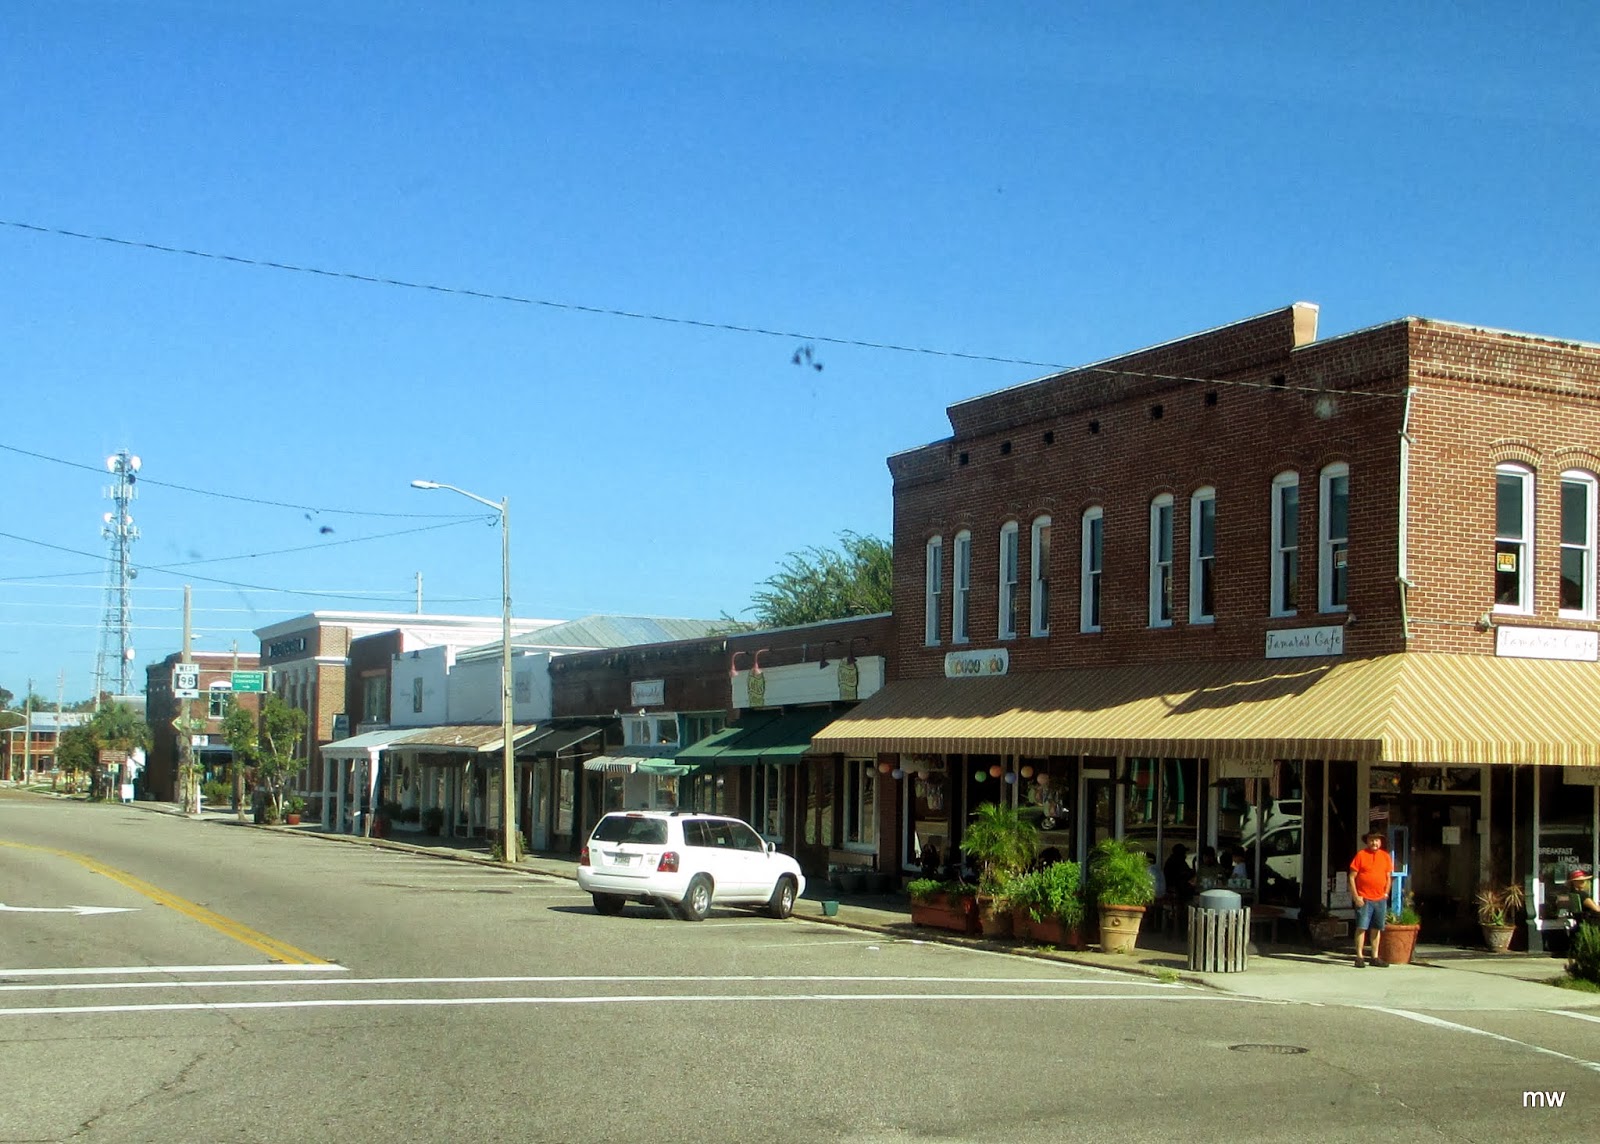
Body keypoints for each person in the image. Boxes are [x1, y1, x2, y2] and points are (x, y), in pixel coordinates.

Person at [1348, 831, 1394, 968]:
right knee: (1361, 927)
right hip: (1364, 899)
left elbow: (1388, 877)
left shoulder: (1385, 856)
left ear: (1380, 842)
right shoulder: (1361, 855)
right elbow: (1351, 877)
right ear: (1367, 842)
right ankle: (1359, 957)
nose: (1374, 843)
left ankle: (1374, 957)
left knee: (1376, 928)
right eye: (1372, 840)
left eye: (1377, 840)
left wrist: (1386, 893)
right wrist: (1356, 897)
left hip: (1380, 899)